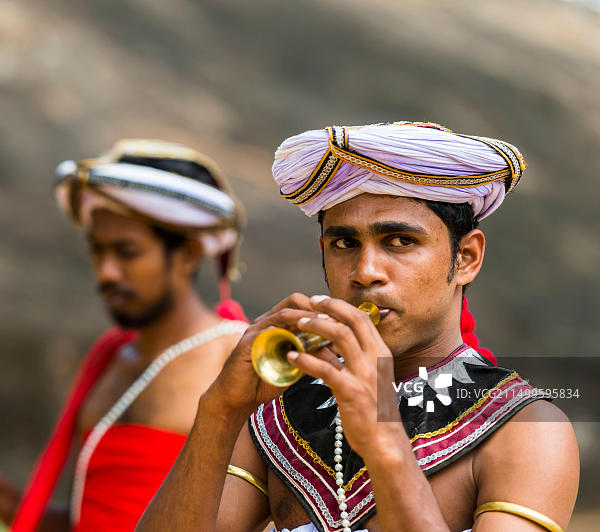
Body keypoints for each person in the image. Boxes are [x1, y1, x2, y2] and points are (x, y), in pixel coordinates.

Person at [136, 122, 580, 532]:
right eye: (345, 243)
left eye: (400, 241)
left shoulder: (526, 429)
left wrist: (384, 440)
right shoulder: (281, 414)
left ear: (466, 258)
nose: (365, 271)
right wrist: (219, 411)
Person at [0, 139, 249, 532]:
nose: (107, 272)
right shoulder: (113, 361)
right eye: (97, 252)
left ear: (188, 254)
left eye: (127, 252)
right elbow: (90, 524)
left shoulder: (236, 361)